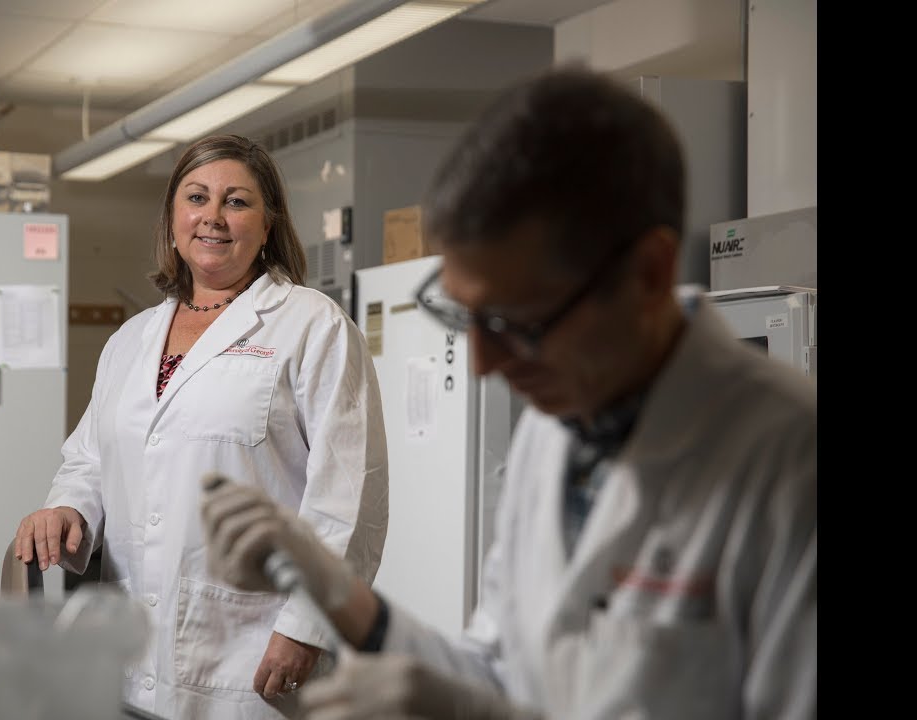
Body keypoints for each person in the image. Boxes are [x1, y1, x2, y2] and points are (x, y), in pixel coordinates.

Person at [199, 65, 816, 719]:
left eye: (516, 322)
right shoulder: (557, 429)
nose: (483, 363)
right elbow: (495, 671)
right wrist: (336, 593)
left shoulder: (790, 465)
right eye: (463, 316)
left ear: (649, 274)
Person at [14, 134, 389, 719]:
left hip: (253, 653)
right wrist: (68, 509)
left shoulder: (312, 326)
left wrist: (307, 627)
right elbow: (90, 458)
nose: (213, 216)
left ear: (268, 225)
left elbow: (349, 496)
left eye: (237, 202)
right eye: (196, 198)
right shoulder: (130, 339)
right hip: (128, 647)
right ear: (172, 218)